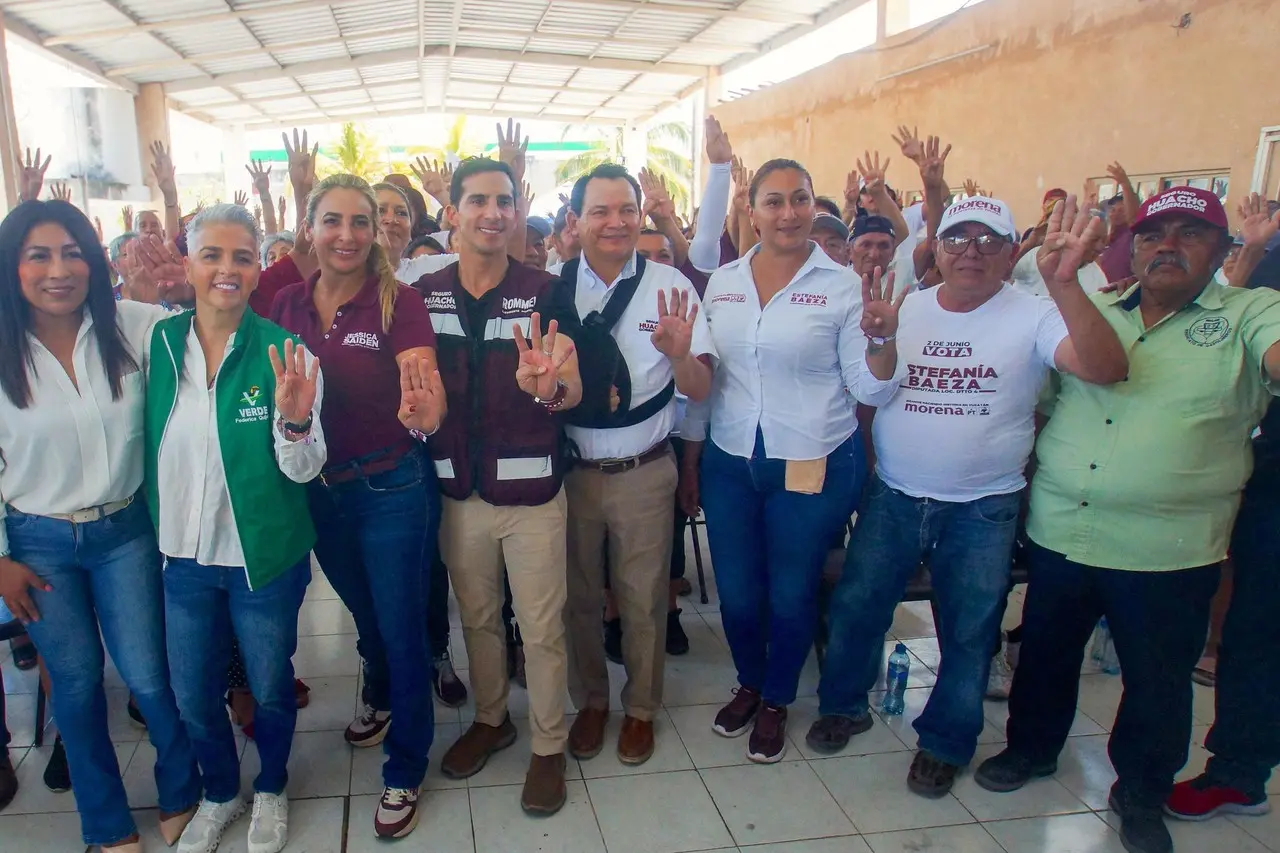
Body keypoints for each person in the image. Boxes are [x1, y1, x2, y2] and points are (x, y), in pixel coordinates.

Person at [975, 187, 1280, 853]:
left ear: (1223, 249)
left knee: (1157, 679)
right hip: (1064, 530)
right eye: (1152, 233)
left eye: (1189, 232)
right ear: (1132, 247)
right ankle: (1030, 748)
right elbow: (1040, 401)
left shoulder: (1250, 312)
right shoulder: (1096, 308)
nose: (1166, 244)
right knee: (1048, 654)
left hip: (1168, 547)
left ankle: (1141, 788)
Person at [809, 193, 1128, 798]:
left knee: (970, 629)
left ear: (1012, 253)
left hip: (984, 506)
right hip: (895, 494)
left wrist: (1065, 285)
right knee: (857, 608)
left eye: (988, 241)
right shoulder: (908, 307)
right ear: (938, 248)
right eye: (958, 239)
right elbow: (872, 396)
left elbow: (1106, 368)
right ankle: (845, 705)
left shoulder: (1035, 314)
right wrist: (880, 341)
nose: (971, 253)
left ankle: (946, 742)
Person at [686, 158, 903, 763]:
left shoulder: (842, 287)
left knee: (789, 592)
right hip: (731, 460)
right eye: (774, 201)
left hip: (811, 461)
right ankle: (749, 681)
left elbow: (872, 389)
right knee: (736, 593)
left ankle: (778, 696)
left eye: (800, 199)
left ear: (815, 206)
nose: (788, 213)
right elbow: (707, 378)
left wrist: (883, 342)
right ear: (750, 212)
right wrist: (692, 464)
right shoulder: (722, 283)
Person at [0, 199, 200, 851]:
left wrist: (182, 290)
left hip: (126, 532)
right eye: (39, 255)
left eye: (72, 252)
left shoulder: (131, 326)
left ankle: (181, 788)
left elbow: (211, 342)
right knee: (78, 686)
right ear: (13, 266)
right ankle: (105, 820)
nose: (59, 270)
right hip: (38, 544)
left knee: (148, 674)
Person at [270, 173, 446, 839]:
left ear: (376, 232)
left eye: (360, 222)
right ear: (309, 227)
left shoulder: (397, 300)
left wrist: (427, 410)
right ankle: (378, 692)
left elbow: (423, 383)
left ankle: (406, 764)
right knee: (366, 617)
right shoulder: (285, 301)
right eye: (332, 221)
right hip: (318, 491)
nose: (346, 235)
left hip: (391, 487)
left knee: (401, 629)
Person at [145, 204, 324, 853]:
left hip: (263, 559)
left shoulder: (288, 352)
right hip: (184, 561)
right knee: (193, 692)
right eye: (212, 255)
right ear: (189, 264)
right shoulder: (158, 343)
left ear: (258, 269)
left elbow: (304, 468)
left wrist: (296, 421)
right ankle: (221, 791)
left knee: (271, 685)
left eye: (242, 257)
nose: (227, 269)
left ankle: (271, 786)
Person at [411, 157, 583, 814]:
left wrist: (550, 391)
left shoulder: (545, 289)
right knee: (478, 619)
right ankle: (491, 718)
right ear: (451, 211)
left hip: (533, 494)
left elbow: (572, 390)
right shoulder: (424, 294)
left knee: (540, 628)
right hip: (458, 492)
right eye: (478, 200)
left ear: (516, 210)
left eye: (504, 200)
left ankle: (547, 745)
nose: (493, 212)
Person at [560, 163, 715, 767]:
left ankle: (642, 709)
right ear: (576, 221)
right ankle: (592, 701)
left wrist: (680, 356)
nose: (615, 222)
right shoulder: (552, 286)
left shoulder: (669, 285)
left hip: (646, 471)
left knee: (645, 598)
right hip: (571, 475)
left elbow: (700, 389)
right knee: (576, 599)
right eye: (600, 211)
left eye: (626, 209)